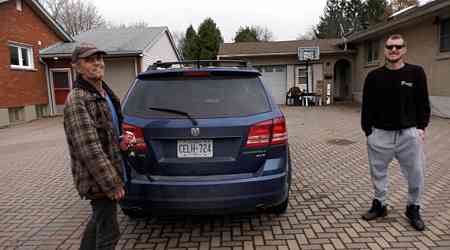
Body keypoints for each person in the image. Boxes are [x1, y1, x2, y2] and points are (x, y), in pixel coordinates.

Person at [63, 43, 135, 249]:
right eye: (89, 59)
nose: (97, 63)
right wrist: (112, 184)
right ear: (77, 66)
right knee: (109, 233)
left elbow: (107, 133)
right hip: (98, 180)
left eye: (99, 58)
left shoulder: (104, 94)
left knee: (98, 222)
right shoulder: (78, 99)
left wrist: (121, 141)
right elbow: (88, 148)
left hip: (109, 171)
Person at [361, 34, 430, 231]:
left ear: (404, 49)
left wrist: (421, 128)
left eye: (398, 46)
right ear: (385, 50)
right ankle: (380, 204)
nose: (394, 50)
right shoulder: (373, 77)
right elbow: (367, 107)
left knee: (416, 173)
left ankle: (413, 207)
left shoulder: (416, 73)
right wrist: (369, 132)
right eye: (390, 47)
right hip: (379, 135)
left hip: (408, 134)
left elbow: (423, 103)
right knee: (378, 173)